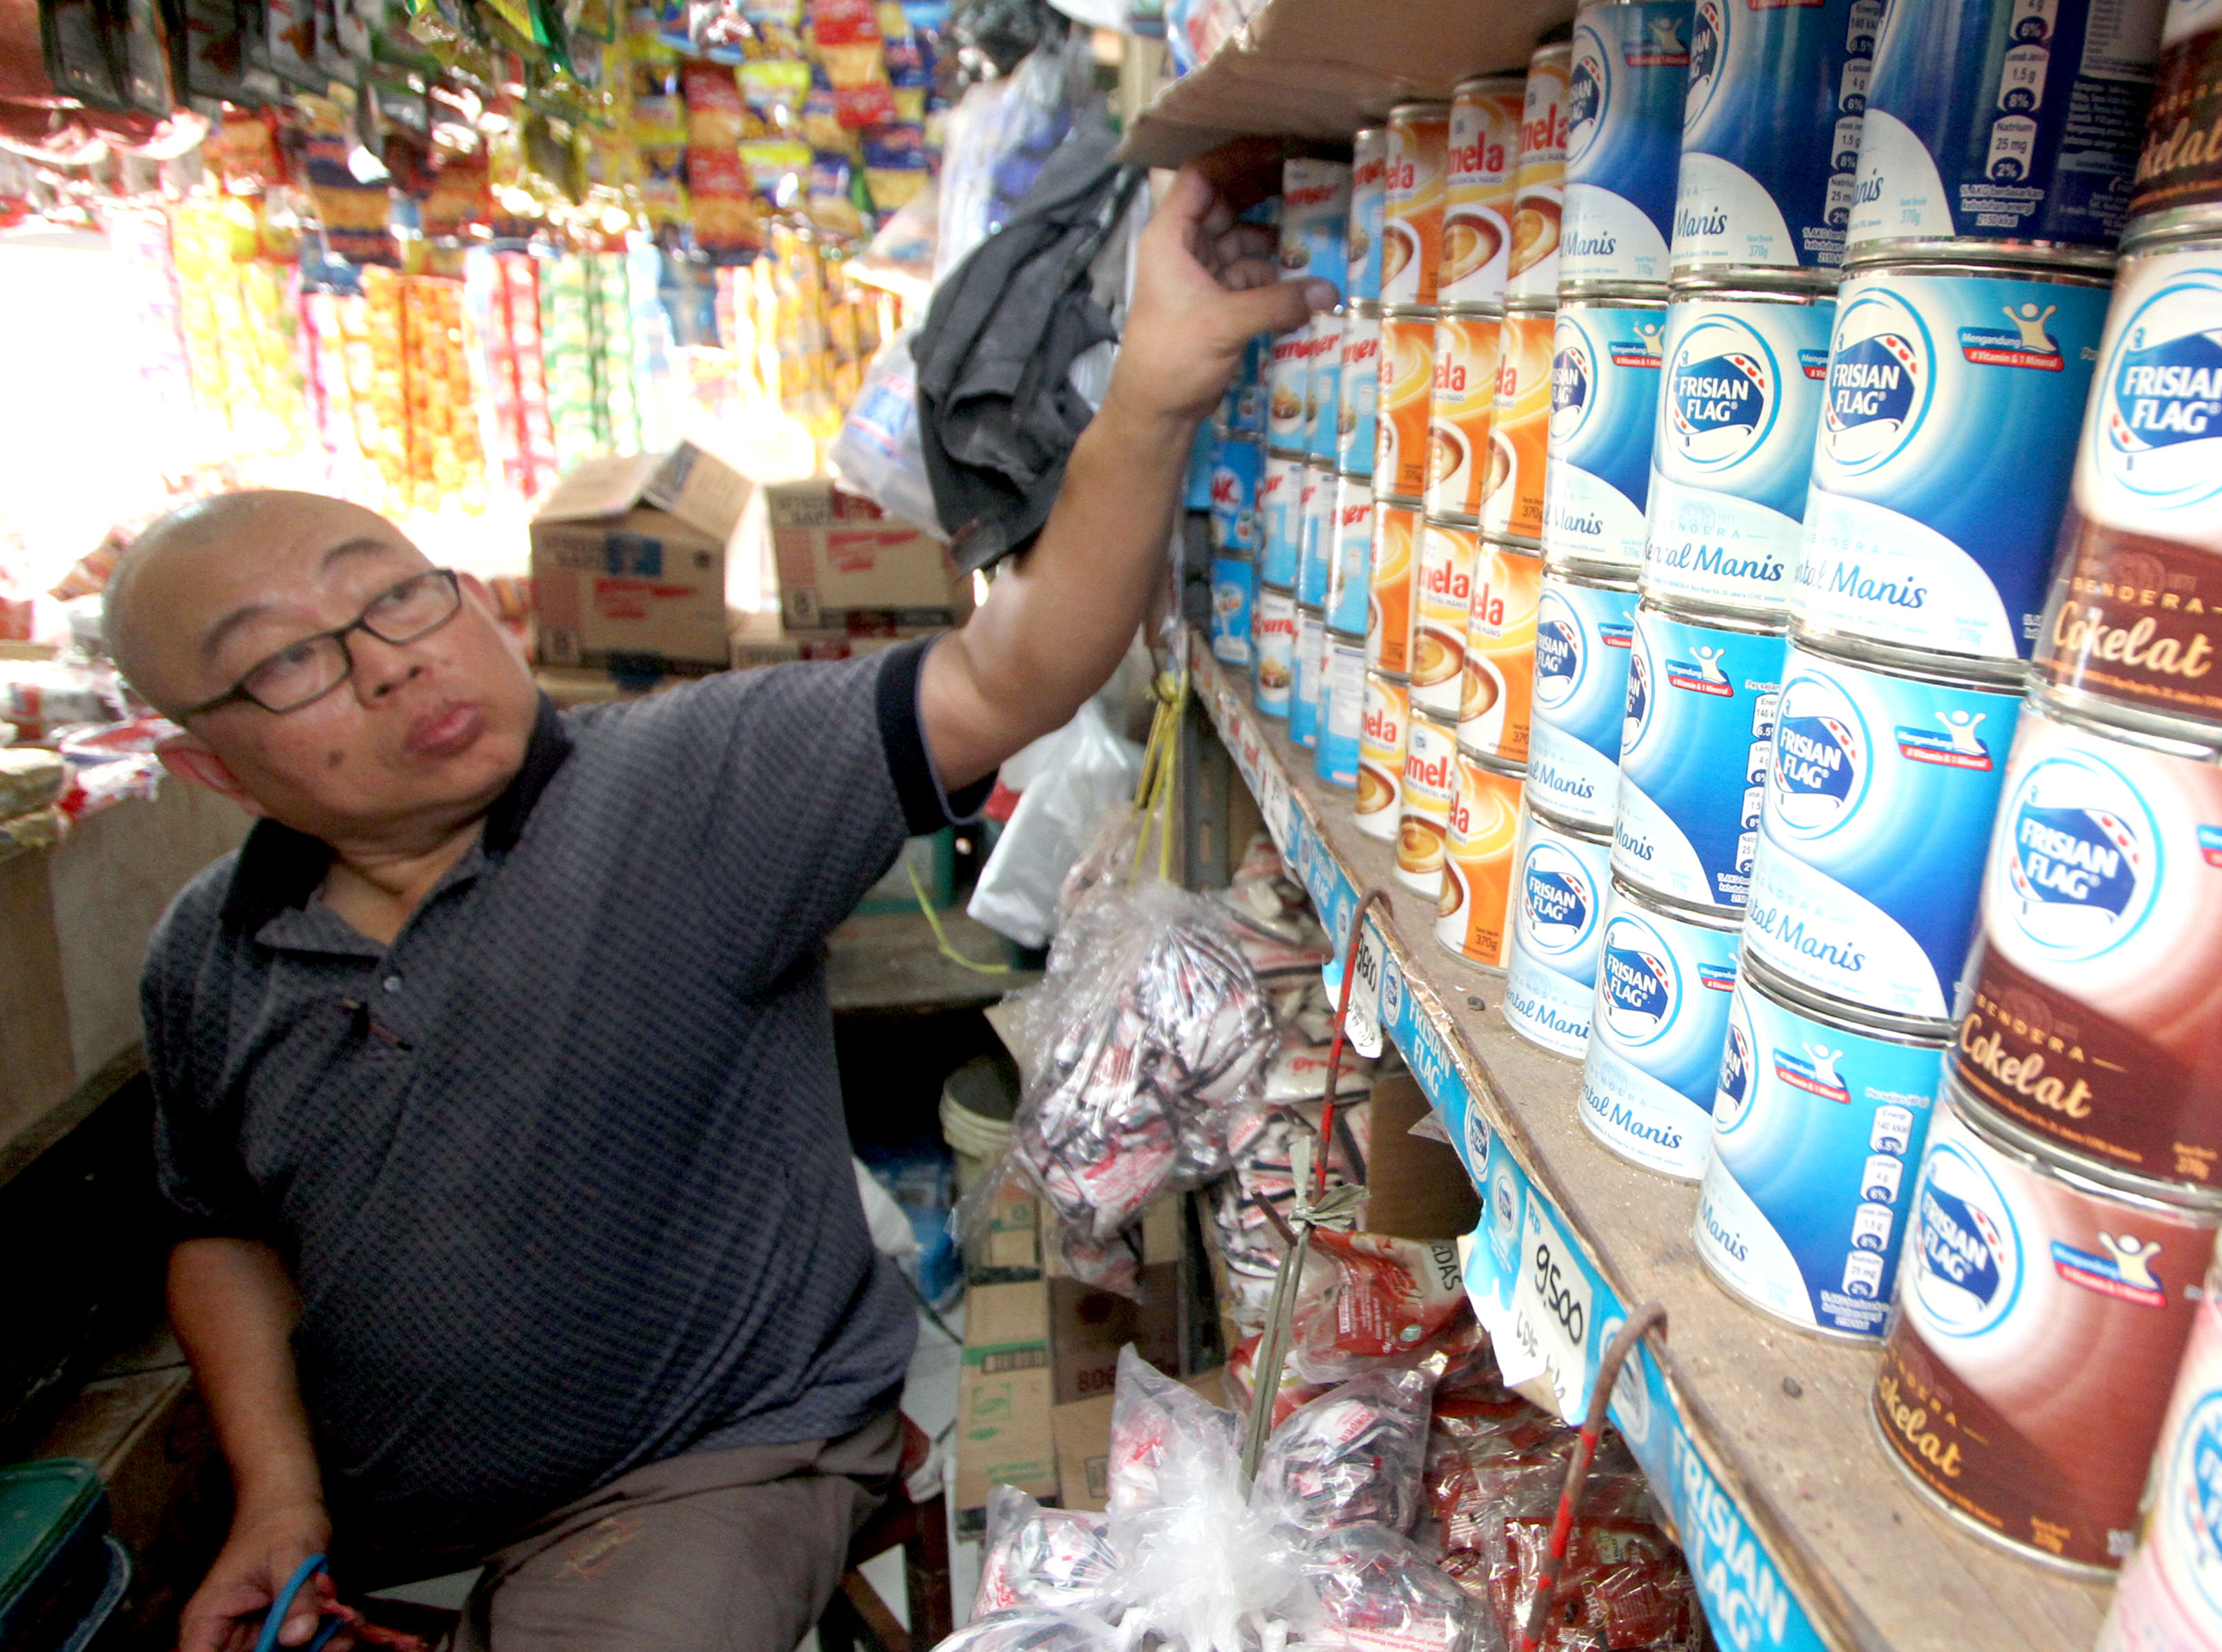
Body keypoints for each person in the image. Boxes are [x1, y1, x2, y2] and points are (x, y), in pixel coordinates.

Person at [104, 141, 1328, 1652]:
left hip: (713, 1465)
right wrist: (277, 1497)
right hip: (380, 1519)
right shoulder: (206, 954)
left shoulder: (685, 784)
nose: (389, 659)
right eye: (290, 659)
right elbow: (216, 1229)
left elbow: (1014, 667)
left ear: (472, 594)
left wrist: (1147, 392)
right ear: (212, 764)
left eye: (400, 592)